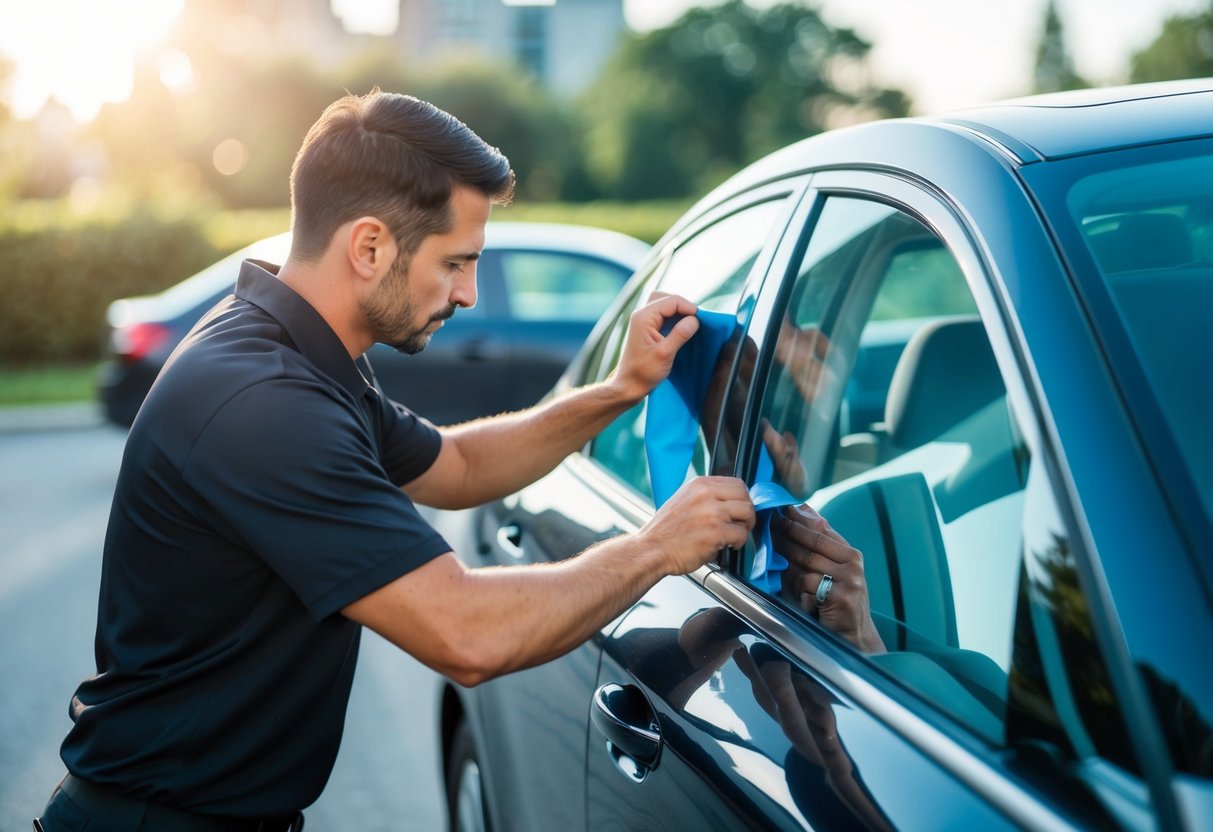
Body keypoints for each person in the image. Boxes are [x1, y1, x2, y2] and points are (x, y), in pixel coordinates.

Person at [35, 89, 755, 832]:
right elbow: (466, 634)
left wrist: (618, 390)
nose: (470, 293)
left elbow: (459, 465)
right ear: (369, 246)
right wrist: (656, 546)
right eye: (455, 263)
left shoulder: (298, 352)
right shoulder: (263, 402)